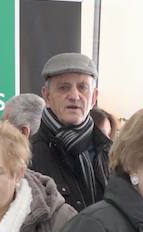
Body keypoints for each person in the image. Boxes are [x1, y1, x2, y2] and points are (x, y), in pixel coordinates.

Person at [31, 52, 112, 212]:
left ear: (94, 97)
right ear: (46, 95)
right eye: (63, 87)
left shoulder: (114, 153)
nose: (74, 96)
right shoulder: (27, 155)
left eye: (83, 87)